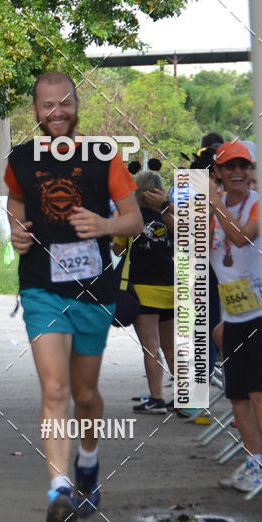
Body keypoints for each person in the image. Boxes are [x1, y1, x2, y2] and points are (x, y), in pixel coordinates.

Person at [5, 71, 142, 522]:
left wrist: (104, 227)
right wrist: (16, 228)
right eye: (47, 105)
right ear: (35, 110)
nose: (56, 112)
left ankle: (88, 458)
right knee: (55, 391)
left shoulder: (103, 155)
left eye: (64, 103)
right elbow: (17, 199)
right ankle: (59, 490)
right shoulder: (21, 158)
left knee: (84, 394)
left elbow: (134, 221)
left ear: (76, 105)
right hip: (41, 288)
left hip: (94, 291)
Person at [209, 141, 262, 493]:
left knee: (261, 392)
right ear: (218, 172)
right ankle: (256, 462)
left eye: (244, 166)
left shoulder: (258, 204)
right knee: (237, 395)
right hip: (233, 315)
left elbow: (241, 239)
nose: (238, 172)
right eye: (230, 166)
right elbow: (187, 243)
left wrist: (215, 204)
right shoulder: (209, 209)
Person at [113, 170, 175, 414]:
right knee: (170, 347)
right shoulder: (169, 217)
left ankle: (157, 398)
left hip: (142, 288)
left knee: (151, 346)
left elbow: (118, 250)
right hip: (170, 287)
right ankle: (184, 398)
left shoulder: (131, 218)